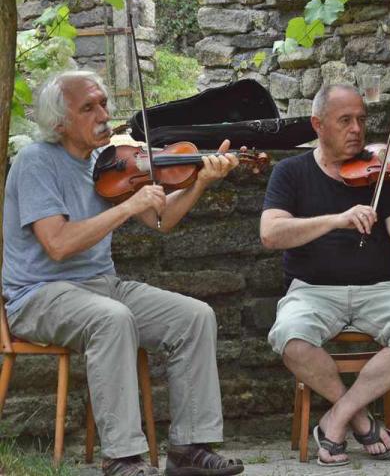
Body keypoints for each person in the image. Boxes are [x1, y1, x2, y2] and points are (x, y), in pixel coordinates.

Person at [2, 71, 243, 476]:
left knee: (195, 316)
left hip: (101, 286)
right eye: (88, 108)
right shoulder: (35, 162)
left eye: (104, 103)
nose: (103, 114)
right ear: (59, 122)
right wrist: (127, 209)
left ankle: (189, 450)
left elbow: (161, 219)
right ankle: (123, 458)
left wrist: (200, 181)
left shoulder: (108, 159)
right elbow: (58, 244)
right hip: (38, 294)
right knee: (112, 319)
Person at [259, 84, 390, 466]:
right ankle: (362, 420)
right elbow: (271, 234)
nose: (357, 129)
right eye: (345, 121)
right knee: (289, 337)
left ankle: (336, 417)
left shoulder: (381, 174)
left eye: (361, 120)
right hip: (312, 291)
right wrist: (337, 220)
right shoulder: (291, 172)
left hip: (380, 289)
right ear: (318, 124)